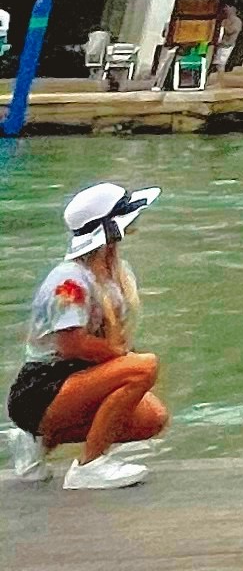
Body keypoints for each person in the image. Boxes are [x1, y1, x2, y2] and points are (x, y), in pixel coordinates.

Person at [11, 182, 169, 491]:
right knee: (144, 367)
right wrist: (125, 360)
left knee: (152, 417)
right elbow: (71, 345)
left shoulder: (115, 273)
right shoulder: (68, 280)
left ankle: (40, 441)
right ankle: (89, 465)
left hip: (79, 378)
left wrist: (124, 361)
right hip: (42, 387)